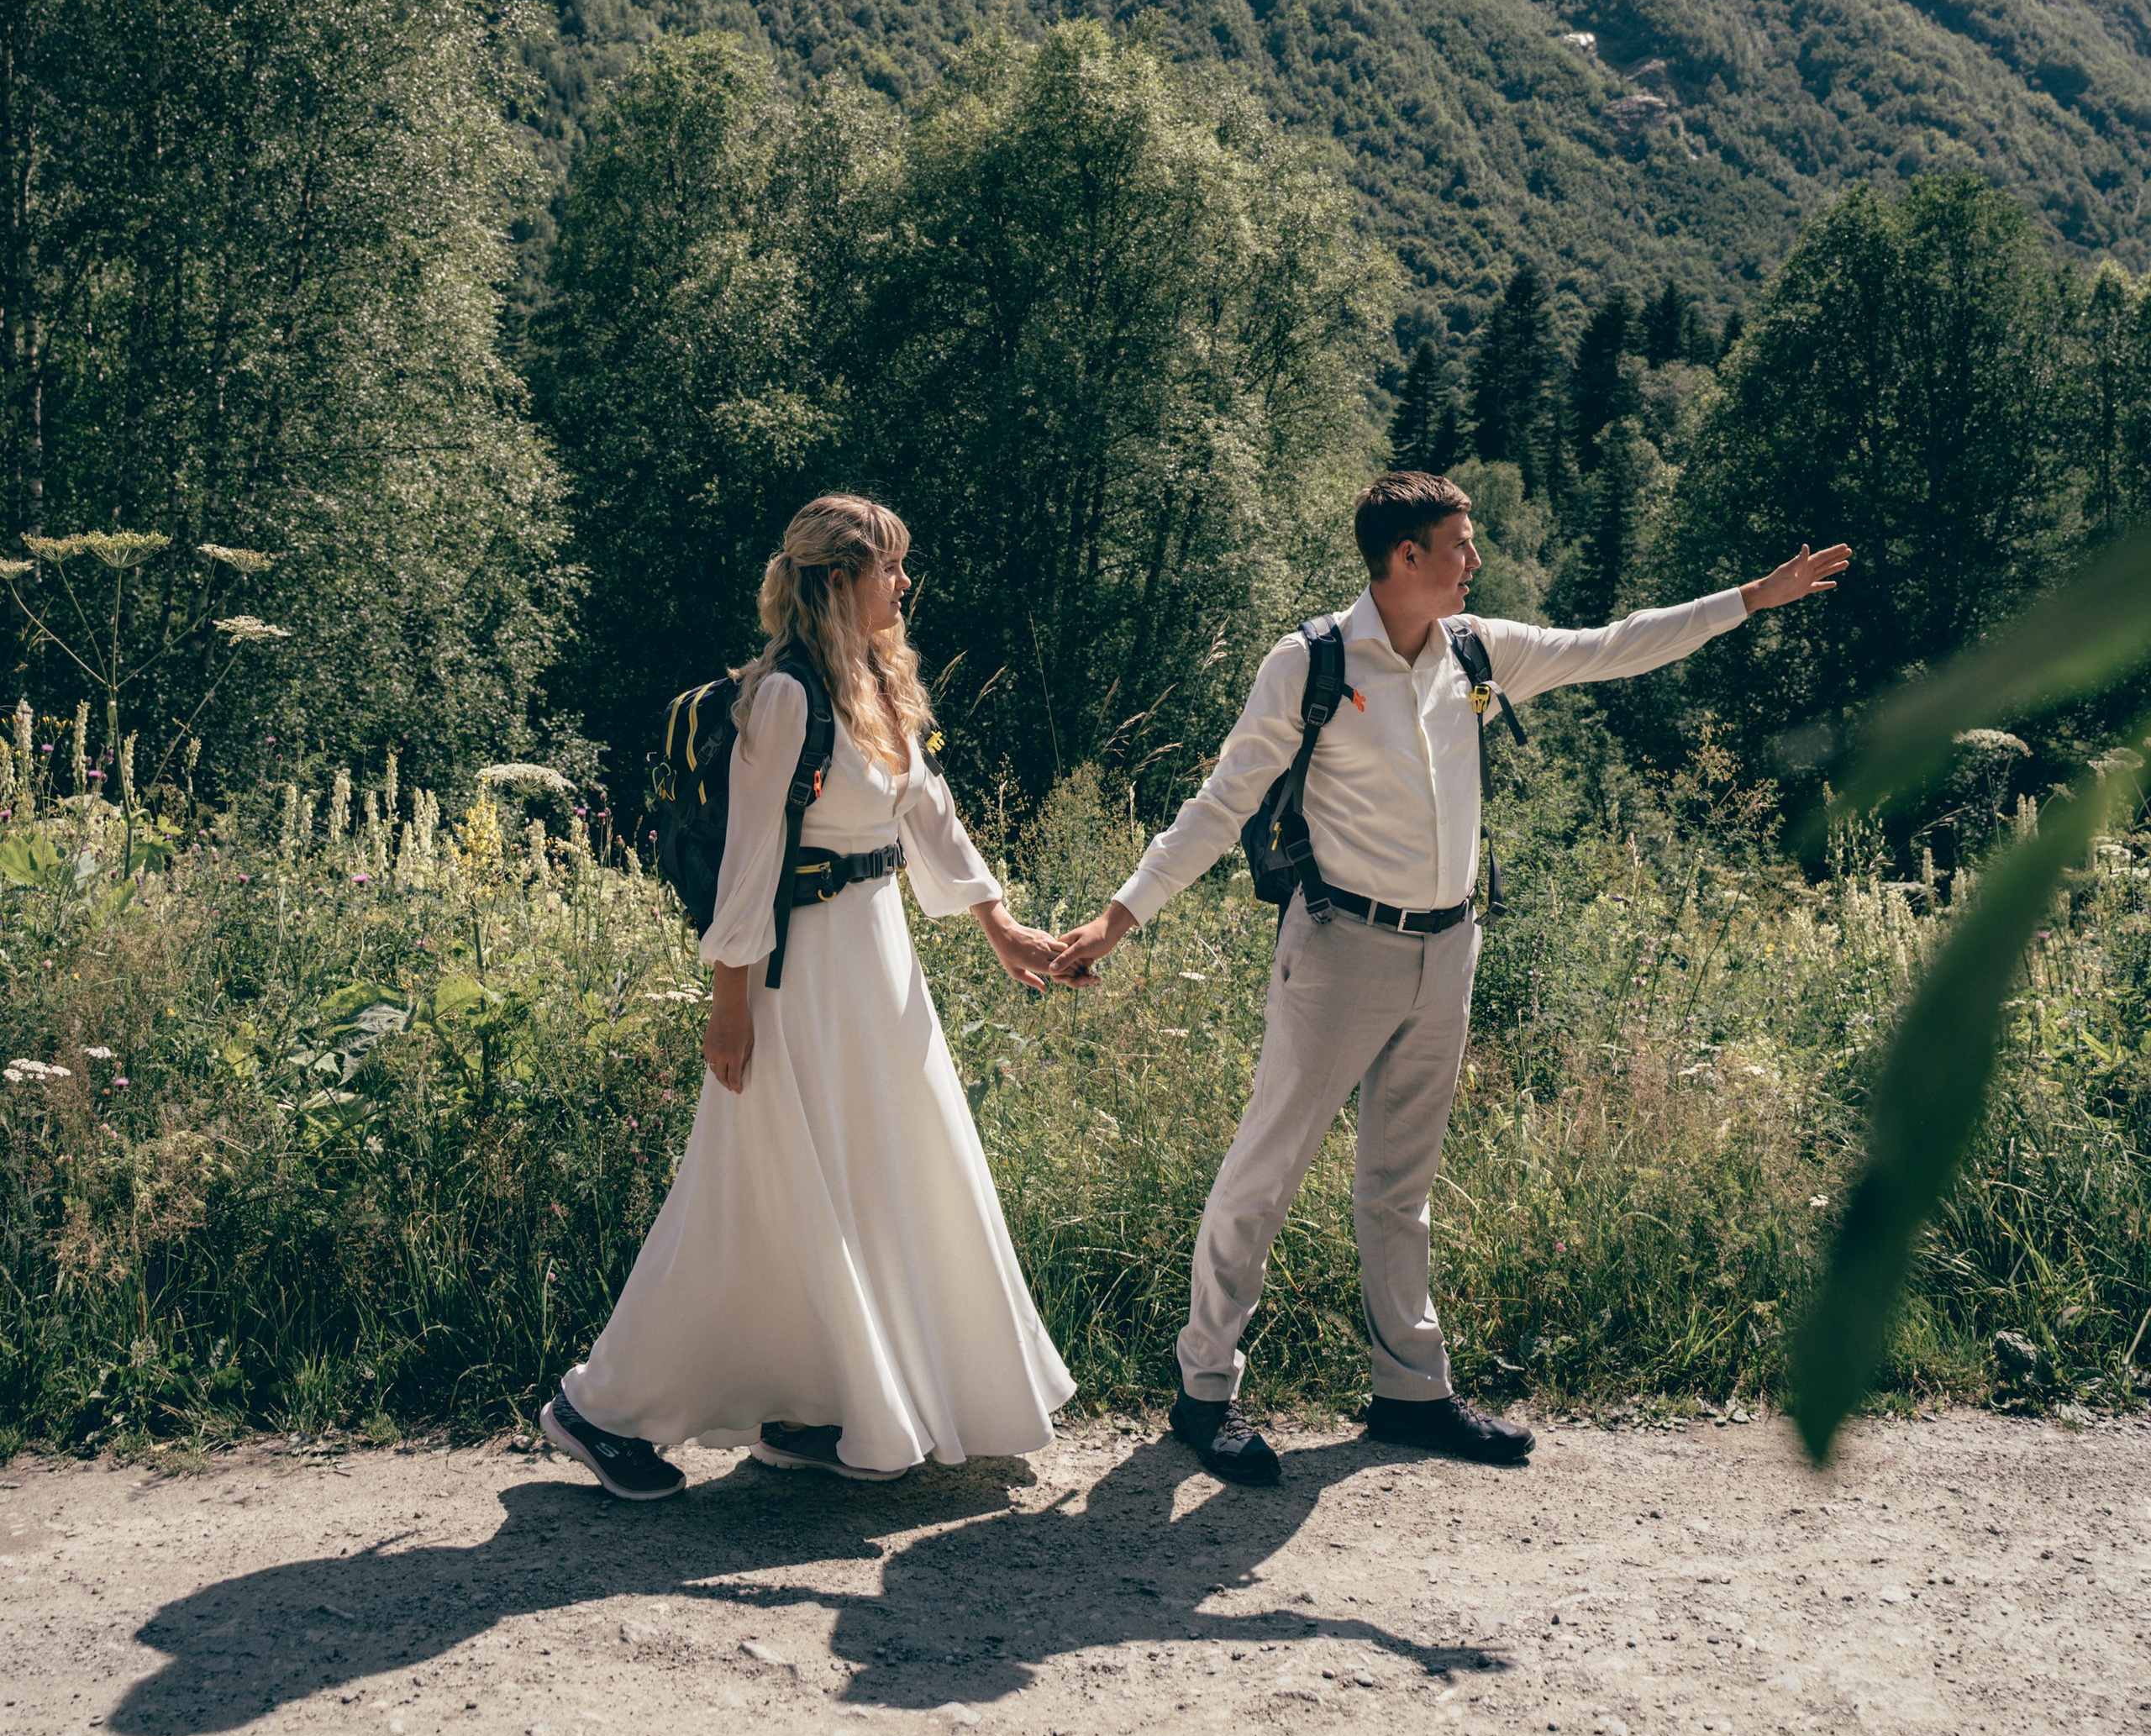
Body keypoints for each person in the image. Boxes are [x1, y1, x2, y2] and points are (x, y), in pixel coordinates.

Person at [1049, 471, 1851, 1486]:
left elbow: (1612, 645)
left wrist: (1747, 601)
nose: (1476, 561)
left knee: (1401, 1185)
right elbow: (1219, 804)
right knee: (1266, 1172)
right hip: (1338, 949)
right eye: (1459, 545)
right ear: (1404, 559)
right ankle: (1203, 1393)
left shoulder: (1477, 650)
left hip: (1449, 947)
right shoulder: (1311, 662)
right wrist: (1120, 917)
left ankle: (1410, 1393)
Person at [541, 493, 1075, 1497]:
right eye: (891, 569)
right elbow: (751, 862)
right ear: (840, 579)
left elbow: (928, 811)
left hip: (878, 971)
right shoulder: (784, 698)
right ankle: (596, 1407)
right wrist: (729, 1004)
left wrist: (999, 925)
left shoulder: (876, 680)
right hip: (800, 980)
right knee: (747, 1194)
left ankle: (817, 1408)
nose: (906, 585)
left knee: (869, 1180)